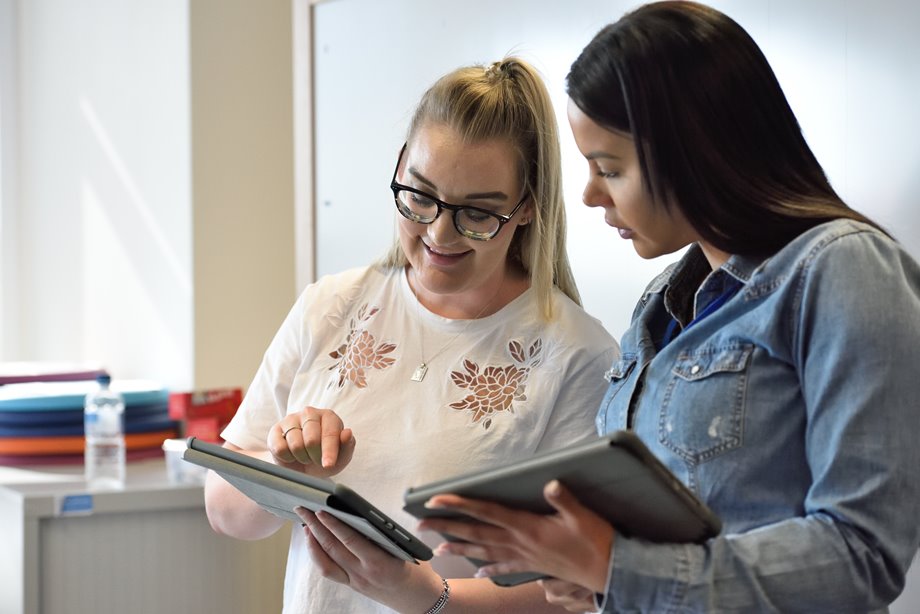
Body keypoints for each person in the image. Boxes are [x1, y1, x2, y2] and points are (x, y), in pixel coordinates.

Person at [416, 3, 920, 613]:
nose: (591, 194)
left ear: (695, 151)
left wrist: (619, 567)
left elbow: (863, 552)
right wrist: (589, 577)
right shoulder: (660, 303)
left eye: (611, 168)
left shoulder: (842, 271)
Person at [203, 56, 619, 613]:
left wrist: (426, 596)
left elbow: (575, 589)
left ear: (527, 209)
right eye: (420, 196)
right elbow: (223, 511)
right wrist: (285, 476)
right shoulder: (331, 307)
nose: (438, 234)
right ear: (400, 165)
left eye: (477, 212)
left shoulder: (578, 355)